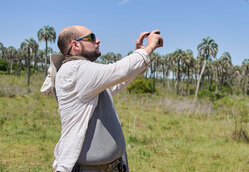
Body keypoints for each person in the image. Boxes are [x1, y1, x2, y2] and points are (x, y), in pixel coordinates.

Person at [42, 25, 163, 172]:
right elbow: (120, 70)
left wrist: (139, 52)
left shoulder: (83, 72)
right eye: (91, 38)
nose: (98, 40)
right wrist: (149, 47)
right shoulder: (75, 70)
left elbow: (117, 82)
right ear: (75, 44)